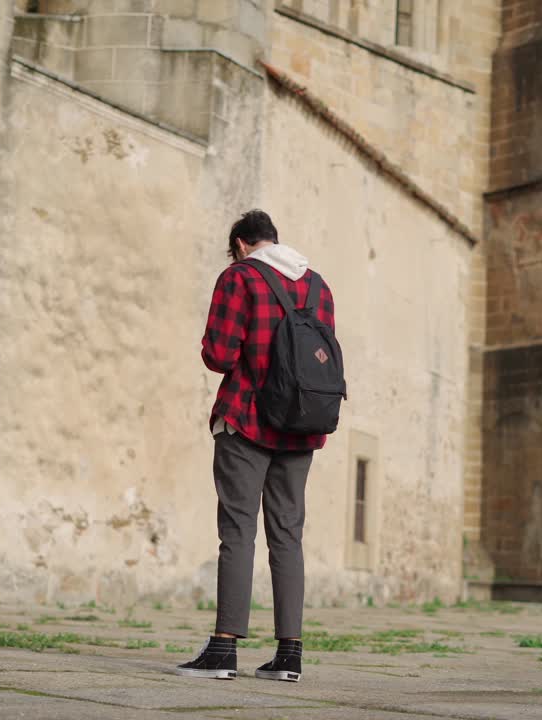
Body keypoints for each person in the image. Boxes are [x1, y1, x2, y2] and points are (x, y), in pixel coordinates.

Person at [176, 210, 336, 682]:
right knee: (288, 535)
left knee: (238, 530)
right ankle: (289, 654)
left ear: (242, 245)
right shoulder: (318, 285)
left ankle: (224, 648)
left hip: (247, 417)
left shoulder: (240, 277)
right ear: (274, 241)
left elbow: (219, 355)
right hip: (303, 423)